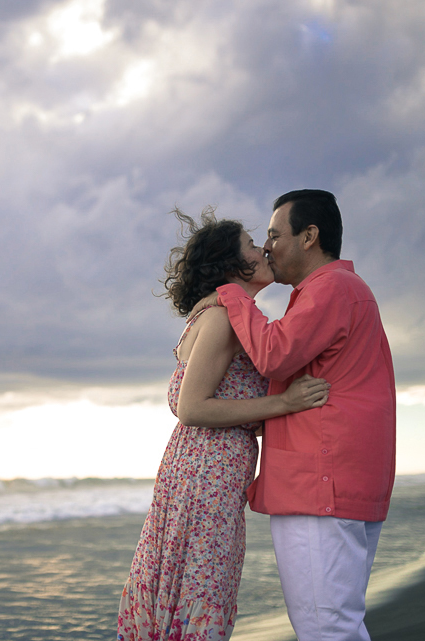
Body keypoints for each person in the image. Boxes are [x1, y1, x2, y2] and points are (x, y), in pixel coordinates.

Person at [117, 207, 330, 641]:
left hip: (204, 469)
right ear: (232, 264)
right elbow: (193, 408)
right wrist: (284, 403)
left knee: (195, 580)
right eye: (252, 244)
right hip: (207, 473)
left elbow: (225, 403)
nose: (264, 249)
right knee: (202, 583)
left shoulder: (226, 315)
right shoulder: (221, 319)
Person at [214, 189, 395, 641]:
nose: (267, 246)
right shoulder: (344, 291)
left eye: (275, 235)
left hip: (320, 486)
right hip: (341, 483)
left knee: (326, 628)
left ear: (309, 236)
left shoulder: (331, 288)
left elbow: (273, 355)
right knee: (339, 624)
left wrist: (233, 295)